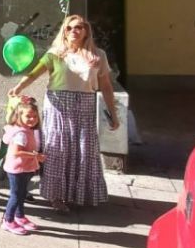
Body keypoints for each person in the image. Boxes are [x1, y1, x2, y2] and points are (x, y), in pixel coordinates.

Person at [8, 14, 119, 213]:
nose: (73, 31)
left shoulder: (98, 55)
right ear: (64, 32)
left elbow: (106, 86)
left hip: (85, 105)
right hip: (57, 106)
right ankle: (56, 197)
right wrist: (18, 87)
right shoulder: (55, 54)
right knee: (58, 151)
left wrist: (113, 113)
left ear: (86, 31)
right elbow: (34, 74)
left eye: (78, 27)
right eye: (69, 28)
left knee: (83, 150)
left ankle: (79, 193)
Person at [1, 97, 47, 235]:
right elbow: (16, 152)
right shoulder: (21, 133)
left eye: (35, 116)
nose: (32, 119)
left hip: (24, 168)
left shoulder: (27, 130)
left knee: (21, 194)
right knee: (16, 195)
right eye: (28, 116)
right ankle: (8, 220)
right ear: (19, 116)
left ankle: (19, 216)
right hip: (17, 169)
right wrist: (36, 156)